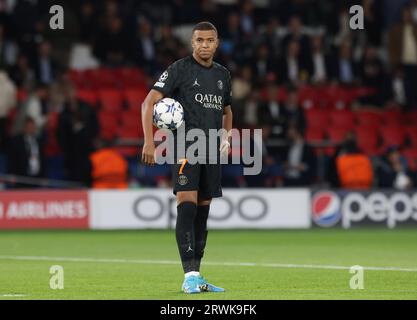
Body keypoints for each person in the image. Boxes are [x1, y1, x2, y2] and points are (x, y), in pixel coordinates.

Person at [141, 22, 233, 294]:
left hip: (211, 149)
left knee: (202, 214)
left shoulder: (223, 75)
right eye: (199, 40)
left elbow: (228, 112)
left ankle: (197, 275)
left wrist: (227, 136)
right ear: (192, 43)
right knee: (188, 207)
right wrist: (149, 140)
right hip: (186, 147)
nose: (204, 45)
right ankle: (189, 275)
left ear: (217, 43)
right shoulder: (179, 69)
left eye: (209, 40)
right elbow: (149, 103)